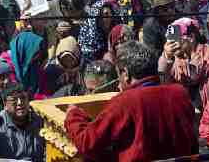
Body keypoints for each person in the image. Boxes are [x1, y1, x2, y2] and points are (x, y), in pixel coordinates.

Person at [65, 41, 198, 161]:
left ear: (126, 73)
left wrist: (74, 115)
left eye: (119, 75)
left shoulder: (125, 102)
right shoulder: (180, 93)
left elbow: (87, 143)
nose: (118, 84)